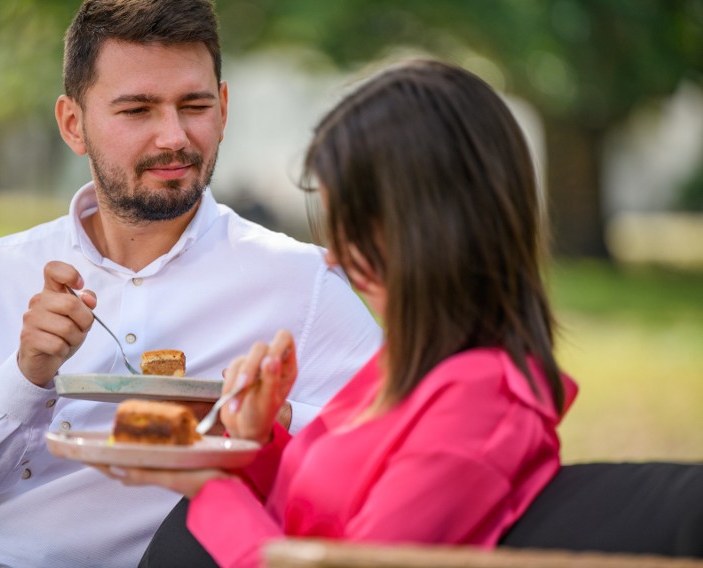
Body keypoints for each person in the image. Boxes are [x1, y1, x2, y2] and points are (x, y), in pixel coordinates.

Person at [0, 1, 381, 567]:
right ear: (73, 124)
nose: (173, 138)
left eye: (194, 105)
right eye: (137, 110)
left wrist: (277, 421)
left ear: (224, 107)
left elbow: (394, 451)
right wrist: (23, 378)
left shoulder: (300, 283)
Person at [98, 59, 579, 568]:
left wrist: (209, 483)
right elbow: (322, 509)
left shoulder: (482, 412)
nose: (332, 256)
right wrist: (256, 438)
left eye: (350, 229)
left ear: (428, 230)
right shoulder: (413, 367)